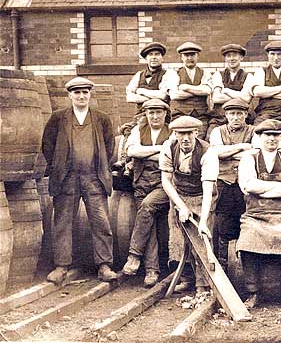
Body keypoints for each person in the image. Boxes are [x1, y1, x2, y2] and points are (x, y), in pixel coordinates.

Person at [41, 77, 117, 284]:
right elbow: (47, 144)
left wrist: (101, 168)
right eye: (77, 93)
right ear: (70, 95)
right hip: (67, 179)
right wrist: (59, 166)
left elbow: (110, 147)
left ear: (90, 94)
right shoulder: (58, 118)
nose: (81, 96)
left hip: (94, 178)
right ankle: (61, 266)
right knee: (63, 222)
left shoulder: (102, 118)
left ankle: (104, 265)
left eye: (85, 92)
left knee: (101, 222)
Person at [236, 119, 281, 309]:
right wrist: (279, 187)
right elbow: (247, 185)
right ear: (259, 137)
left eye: (276, 135)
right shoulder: (248, 158)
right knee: (248, 238)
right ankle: (252, 292)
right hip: (255, 214)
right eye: (267, 135)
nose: (272, 139)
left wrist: (263, 189)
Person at [160, 116, 219, 295]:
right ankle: (186, 278)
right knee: (178, 239)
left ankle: (203, 284)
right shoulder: (168, 148)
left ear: (196, 133)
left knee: (202, 239)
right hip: (180, 196)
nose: (185, 138)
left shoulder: (208, 152)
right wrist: (181, 206)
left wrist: (203, 220)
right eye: (180, 134)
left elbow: (208, 188)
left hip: (202, 197)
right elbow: (166, 181)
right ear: (175, 134)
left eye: (189, 133)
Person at [122, 99, 172, 287]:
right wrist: (160, 149)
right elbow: (133, 151)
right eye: (151, 112)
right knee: (148, 223)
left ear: (165, 114)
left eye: (159, 112)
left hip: (163, 183)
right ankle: (152, 270)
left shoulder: (172, 131)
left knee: (147, 207)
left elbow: (171, 155)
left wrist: (145, 152)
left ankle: (134, 255)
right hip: (141, 183)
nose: (155, 116)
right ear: (146, 114)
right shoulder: (138, 130)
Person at [207, 98, 256, 269]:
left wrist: (228, 152)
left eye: (239, 114)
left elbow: (256, 153)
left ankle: (244, 264)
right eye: (232, 114)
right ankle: (223, 263)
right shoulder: (217, 131)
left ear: (245, 115)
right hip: (224, 183)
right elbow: (215, 152)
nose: (236, 117)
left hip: (245, 183)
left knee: (246, 220)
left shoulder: (254, 130)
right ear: (226, 115)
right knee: (223, 224)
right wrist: (243, 147)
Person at [164, 42, 214, 138]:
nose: (189, 58)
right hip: (180, 115)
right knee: (180, 140)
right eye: (186, 55)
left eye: (192, 55)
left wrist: (186, 87)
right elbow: (175, 95)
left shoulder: (205, 73)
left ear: (197, 56)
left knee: (200, 140)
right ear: (181, 58)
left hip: (201, 116)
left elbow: (207, 91)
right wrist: (198, 91)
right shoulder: (173, 73)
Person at [208, 44, 253, 130]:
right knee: (210, 136)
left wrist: (226, 91)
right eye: (228, 56)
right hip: (219, 117)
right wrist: (239, 97)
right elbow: (216, 98)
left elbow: (246, 98)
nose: (232, 58)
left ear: (241, 57)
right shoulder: (218, 75)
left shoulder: (249, 76)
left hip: (241, 118)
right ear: (225, 58)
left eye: (235, 55)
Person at [126, 42, 174, 112]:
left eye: (157, 54)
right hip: (140, 115)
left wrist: (141, 91)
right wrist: (153, 98)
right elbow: (129, 97)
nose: (154, 57)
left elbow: (163, 95)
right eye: (150, 55)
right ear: (146, 59)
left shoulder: (168, 74)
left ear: (162, 58)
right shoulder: (139, 75)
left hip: (162, 116)